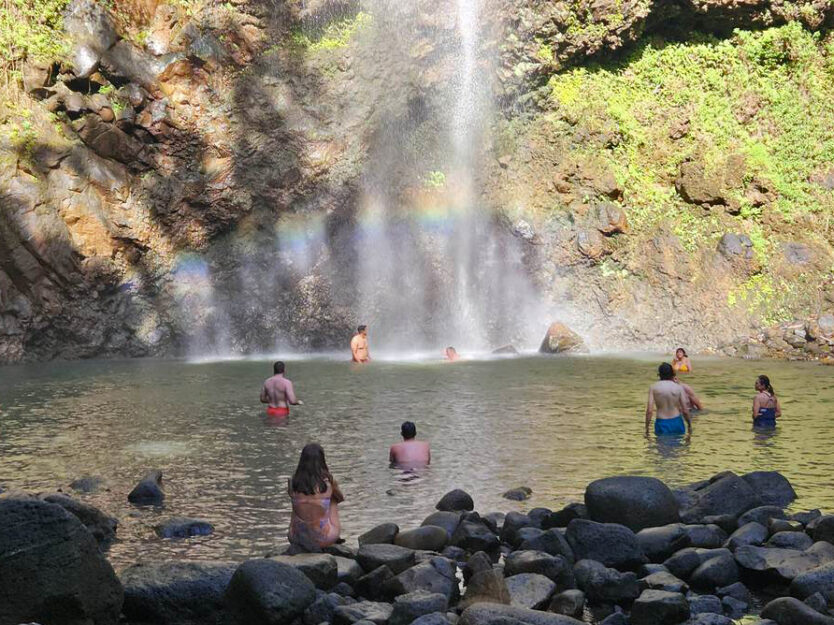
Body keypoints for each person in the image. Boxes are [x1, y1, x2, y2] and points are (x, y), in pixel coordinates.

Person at [288, 443, 344, 550]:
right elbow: (340, 498)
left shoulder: (292, 482)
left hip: (296, 537)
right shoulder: (329, 483)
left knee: (297, 501)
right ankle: (328, 531)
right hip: (324, 539)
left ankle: (298, 530)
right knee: (333, 500)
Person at [646, 363, 692, 436]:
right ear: (672, 374)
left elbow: (649, 411)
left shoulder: (654, 387)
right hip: (677, 421)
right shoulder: (678, 388)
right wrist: (689, 425)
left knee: (661, 446)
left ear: (659, 374)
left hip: (661, 422)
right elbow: (685, 411)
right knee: (678, 446)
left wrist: (647, 428)